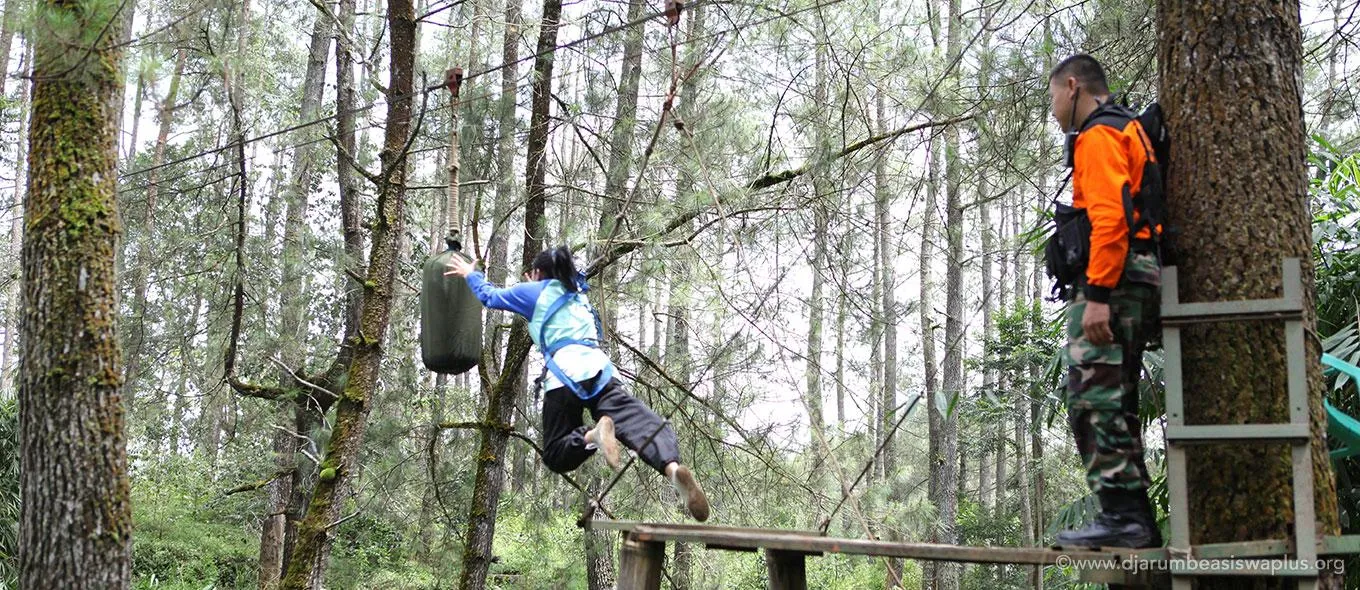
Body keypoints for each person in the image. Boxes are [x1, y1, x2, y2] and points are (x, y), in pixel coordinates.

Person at [443, 245, 710, 522]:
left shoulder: (534, 290)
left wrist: (470, 274)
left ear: (537, 273)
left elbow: (490, 296)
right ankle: (673, 469)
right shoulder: (579, 297)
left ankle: (593, 435)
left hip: (564, 375)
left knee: (556, 452)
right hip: (601, 372)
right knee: (647, 427)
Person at [1046, 54, 1161, 548]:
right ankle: (1132, 518)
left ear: (1073, 87)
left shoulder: (1099, 135)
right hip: (1133, 278)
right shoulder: (1128, 129)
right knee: (1114, 400)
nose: (1053, 110)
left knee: (1093, 401)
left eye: (1053, 97)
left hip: (1112, 283)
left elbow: (1111, 219)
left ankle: (1123, 518)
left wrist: (1095, 297)